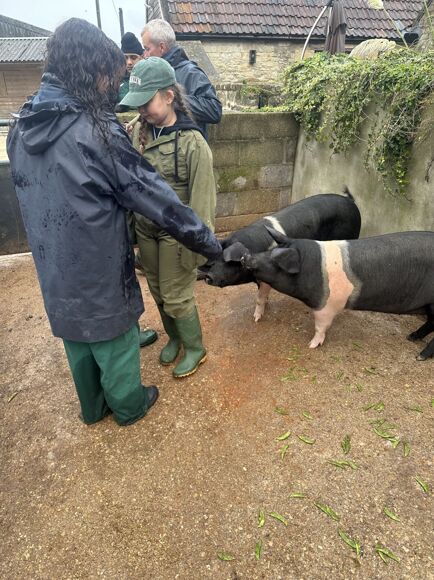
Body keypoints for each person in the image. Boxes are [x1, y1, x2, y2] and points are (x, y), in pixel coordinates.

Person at [7, 19, 221, 426]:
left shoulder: (21, 125)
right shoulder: (96, 131)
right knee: (115, 340)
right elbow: (155, 196)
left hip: (52, 264)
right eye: (109, 76)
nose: (111, 86)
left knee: (77, 340)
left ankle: (92, 408)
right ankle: (129, 406)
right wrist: (210, 244)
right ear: (92, 71)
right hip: (98, 263)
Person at [119, 57, 216, 378]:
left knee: (176, 295)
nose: (141, 109)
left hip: (177, 234)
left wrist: (198, 247)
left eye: (146, 102)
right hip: (146, 229)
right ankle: (175, 339)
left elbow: (203, 200)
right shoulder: (138, 131)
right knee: (158, 291)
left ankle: (196, 348)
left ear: (169, 96)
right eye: (138, 103)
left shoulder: (193, 143)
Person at [141, 19, 222, 140]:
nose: (144, 55)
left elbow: (214, 110)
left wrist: (174, 100)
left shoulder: (191, 72)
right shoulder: (154, 73)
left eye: (147, 49)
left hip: (187, 148)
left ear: (161, 47)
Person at [117, 32, 144, 107]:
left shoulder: (149, 78)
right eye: (125, 58)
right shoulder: (117, 81)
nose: (129, 62)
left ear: (142, 57)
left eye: (133, 57)